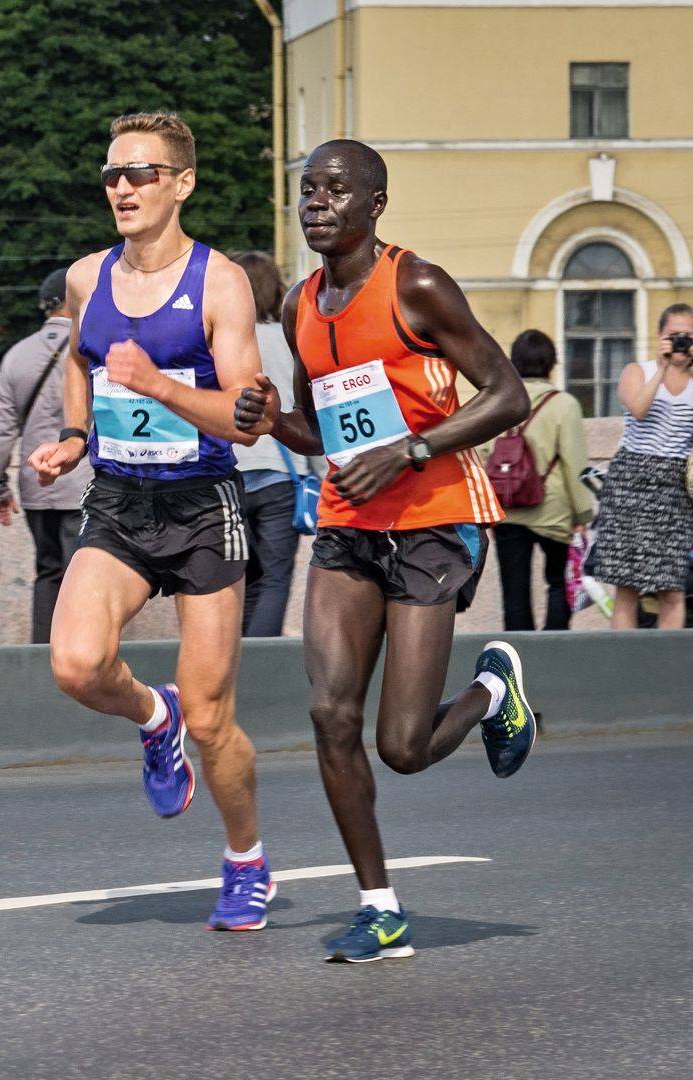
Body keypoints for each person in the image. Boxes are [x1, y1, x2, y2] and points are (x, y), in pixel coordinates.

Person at [233, 140, 533, 962]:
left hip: (433, 518)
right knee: (331, 714)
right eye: (307, 190)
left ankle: (491, 692)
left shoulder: (417, 286)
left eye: (335, 190)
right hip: (347, 522)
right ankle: (380, 908)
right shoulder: (299, 306)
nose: (316, 203)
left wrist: (409, 451)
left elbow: (509, 395)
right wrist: (271, 423)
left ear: (375, 203)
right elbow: (322, 433)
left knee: (402, 747)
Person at [28, 112, 273, 931]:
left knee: (213, 719)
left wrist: (160, 385)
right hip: (121, 502)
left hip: (203, 507)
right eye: (112, 175)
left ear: (182, 184)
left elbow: (246, 422)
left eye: (142, 173)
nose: (123, 188)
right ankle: (150, 715)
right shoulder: (86, 277)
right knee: (75, 665)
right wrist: (74, 436)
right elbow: (80, 360)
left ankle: (246, 859)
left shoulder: (221, 282)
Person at [584, 303, 693, 630]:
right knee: (627, 586)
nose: (681, 341)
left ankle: (668, 660)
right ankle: (626, 659)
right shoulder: (638, 371)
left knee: (671, 588)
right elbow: (639, 409)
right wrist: (661, 368)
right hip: (631, 480)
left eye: (688, 335)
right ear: (660, 336)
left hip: (675, 484)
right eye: (674, 334)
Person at [0, 268, 95, 643]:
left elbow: (1, 430)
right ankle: (80, 651)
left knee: (48, 570)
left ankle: (43, 651)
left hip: (35, 483)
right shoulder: (93, 349)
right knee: (83, 572)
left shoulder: (16, 355)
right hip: (83, 479)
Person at [487, 330, 594, 631]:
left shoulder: (499, 401)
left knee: (514, 592)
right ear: (551, 363)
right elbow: (574, 462)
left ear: (514, 362)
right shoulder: (564, 404)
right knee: (559, 583)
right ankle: (554, 647)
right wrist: (582, 514)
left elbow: (484, 456)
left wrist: (489, 511)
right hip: (554, 510)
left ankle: (519, 652)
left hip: (508, 508)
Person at [230, 250, 308, 636]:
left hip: (230, 473)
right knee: (275, 578)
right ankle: (263, 658)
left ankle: (240, 657)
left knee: (242, 578)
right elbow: (307, 406)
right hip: (283, 471)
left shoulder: (219, 341)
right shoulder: (291, 340)